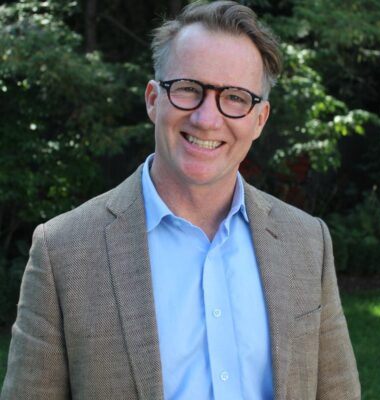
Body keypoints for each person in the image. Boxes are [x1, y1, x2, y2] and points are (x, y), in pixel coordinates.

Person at [1, 1, 360, 399]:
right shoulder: (63, 252)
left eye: (236, 97)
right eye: (189, 89)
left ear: (260, 119)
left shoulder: (308, 243)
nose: (207, 118)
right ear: (154, 99)